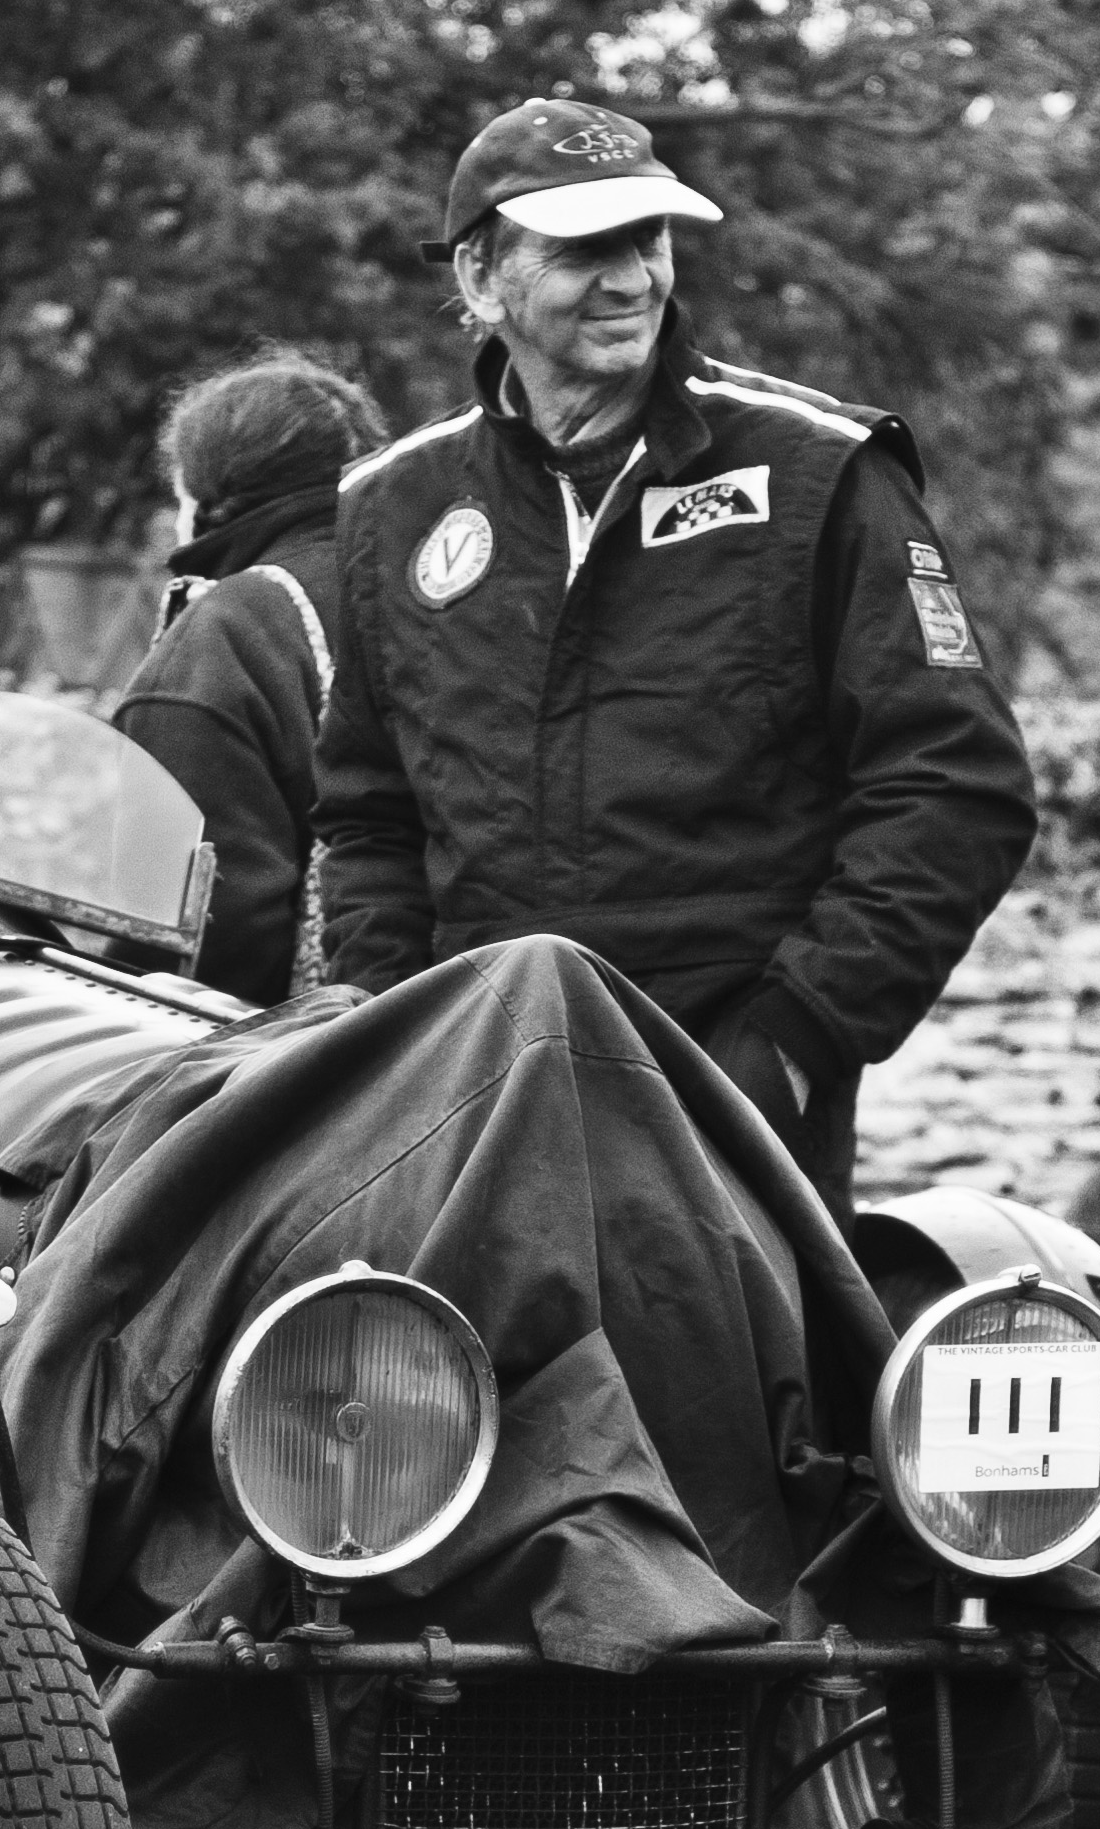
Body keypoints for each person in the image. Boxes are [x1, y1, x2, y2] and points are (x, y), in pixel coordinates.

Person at [314, 97, 1036, 1209]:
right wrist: (390, 1018)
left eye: (645, 241)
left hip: (735, 1105)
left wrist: (793, 1039)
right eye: (582, 249)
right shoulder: (391, 507)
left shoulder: (815, 471)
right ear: (477, 278)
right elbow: (368, 813)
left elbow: (955, 786)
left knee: (725, 1389)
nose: (630, 280)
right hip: (468, 1101)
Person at [111, 353, 386, 1005]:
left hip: (304, 1075)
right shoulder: (443, 590)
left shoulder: (228, 635)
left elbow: (196, 940)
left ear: (203, 494)